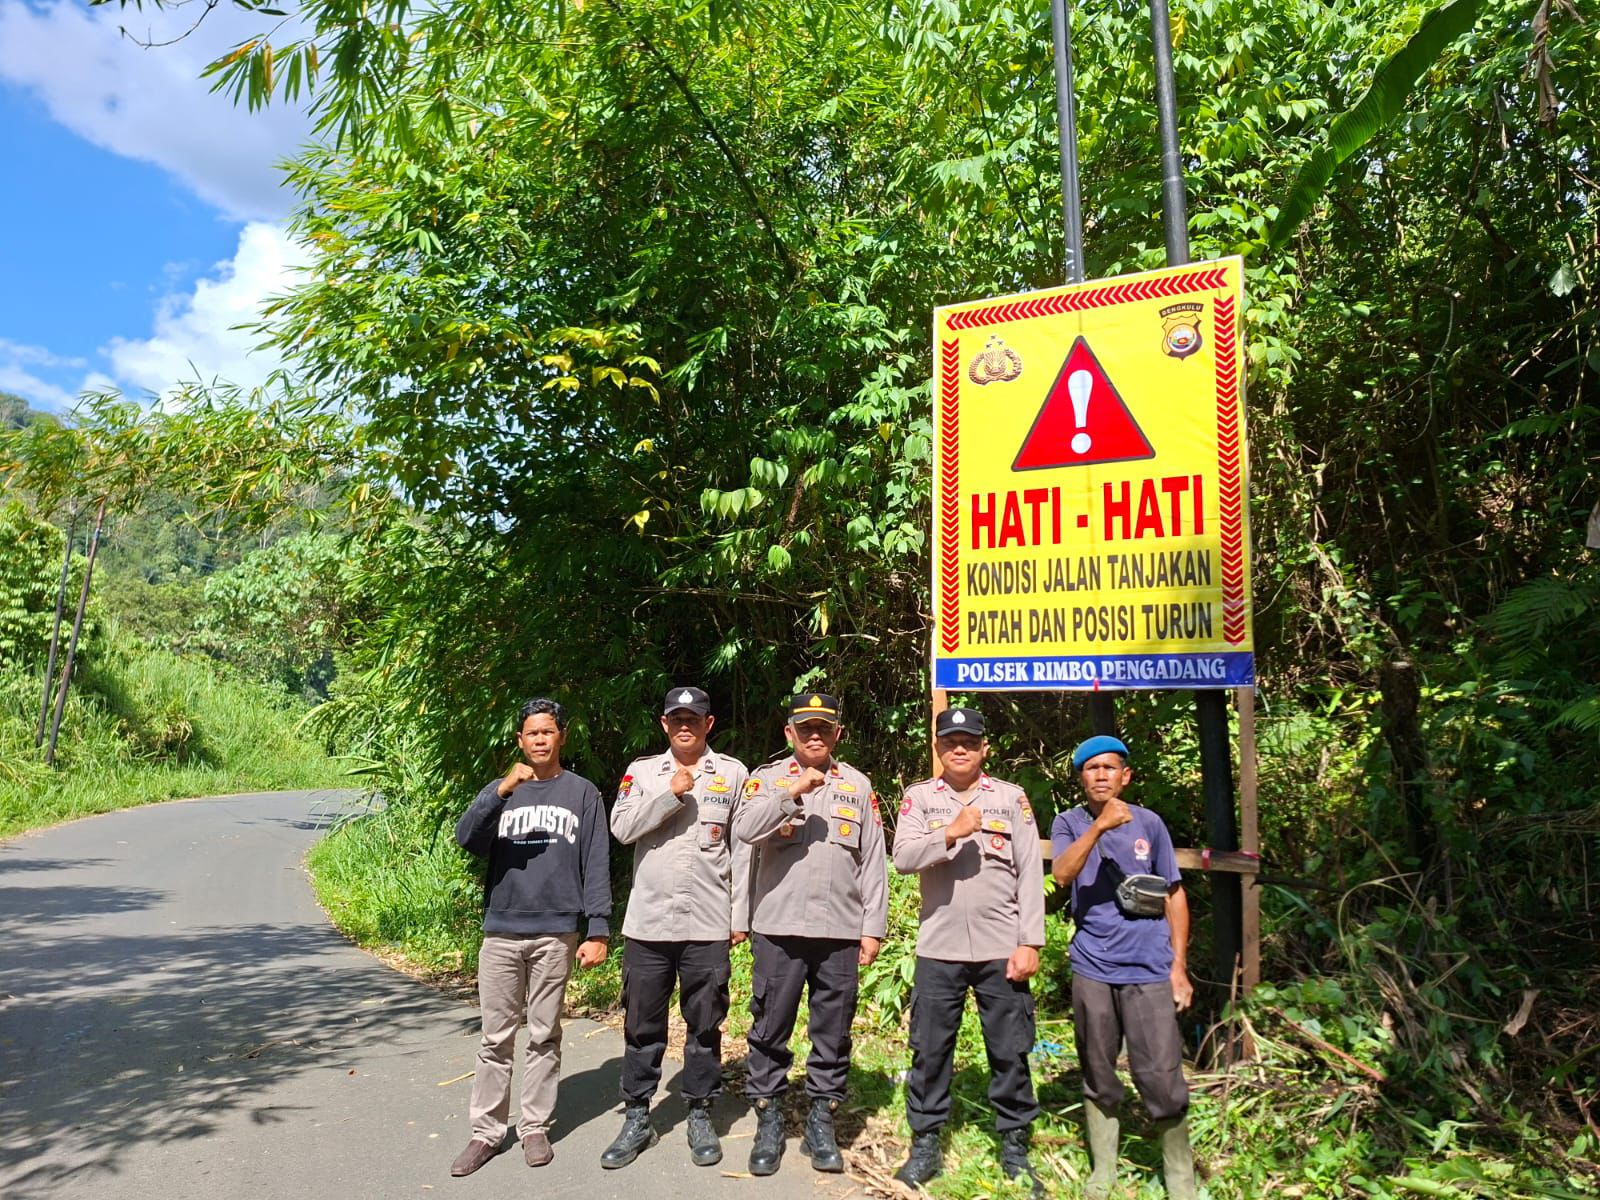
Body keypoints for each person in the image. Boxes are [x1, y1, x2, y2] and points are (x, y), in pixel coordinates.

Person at [449, 697, 613, 1178]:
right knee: (496, 1038)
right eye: (531, 733)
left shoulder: (583, 794)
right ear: (520, 740)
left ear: (561, 736)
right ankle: (485, 1133)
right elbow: (466, 839)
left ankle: (535, 1126)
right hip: (501, 931)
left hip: (556, 932)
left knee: (544, 1034)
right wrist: (499, 791)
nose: (540, 739)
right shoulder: (504, 791)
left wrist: (597, 929)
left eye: (548, 731)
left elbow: (595, 863)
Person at [732, 692, 889, 1177]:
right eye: (806, 728)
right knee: (770, 1027)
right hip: (778, 928)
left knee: (833, 1031)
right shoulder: (767, 779)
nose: (815, 735)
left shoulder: (859, 786)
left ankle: (822, 1116)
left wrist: (873, 929)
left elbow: (873, 862)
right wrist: (793, 790)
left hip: (840, 930)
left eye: (824, 727)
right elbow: (744, 830)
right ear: (790, 734)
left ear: (837, 733)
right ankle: (768, 1116)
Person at [890, 706, 1046, 1194]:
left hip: (1003, 948)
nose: (960, 747)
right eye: (950, 740)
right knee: (930, 1049)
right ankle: (926, 1142)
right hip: (940, 947)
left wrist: (1030, 941)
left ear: (984, 748)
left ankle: (1015, 1145)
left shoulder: (1011, 799)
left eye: (969, 741)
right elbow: (902, 858)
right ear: (937, 748)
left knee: (1010, 1050)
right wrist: (950, 832)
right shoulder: (919, 800)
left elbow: (1029, 874)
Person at [601, 686, 751, 1169]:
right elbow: (621, 830)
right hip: (648, 923)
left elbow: (743, 850)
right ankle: (638, 1114)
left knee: (705, 1025)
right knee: (642, 1024)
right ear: (664, 724)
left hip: (708, 921)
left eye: (695, 717)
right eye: (676, 718)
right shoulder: (643, 772)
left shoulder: (732, 773)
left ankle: (700, 1110)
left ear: (709, 724)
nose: (685, 724)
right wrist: (669, 794)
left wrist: (740, 915)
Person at [1050, 735, 1197, 1200]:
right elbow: (1062, 873)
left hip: (1149, 966)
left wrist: (1179, 967)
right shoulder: (1069, 822)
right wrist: (1098, 828)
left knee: (1160, 1072)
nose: (1100, 776)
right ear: (1081, 778)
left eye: (1109, 768)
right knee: (1098, 1067)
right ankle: (1104, 1171)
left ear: (1125, 775)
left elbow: (1174, 893)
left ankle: (1180, 1177)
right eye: (1091, 769)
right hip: (1093, 965)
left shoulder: (1150, 824)